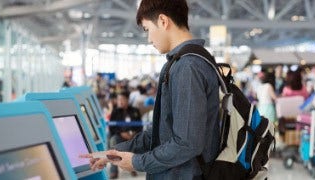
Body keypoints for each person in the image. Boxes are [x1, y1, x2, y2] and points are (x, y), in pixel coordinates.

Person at [80, 0, 221, 179]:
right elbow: (160, 134)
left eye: (147, 29)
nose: (149, 39)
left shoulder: (187, 66)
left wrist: (137, 162)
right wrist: (113, 152)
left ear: (163, 21)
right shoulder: (182, 63)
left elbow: (187, 143)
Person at [108, 91, 142, 179]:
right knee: (113, 140)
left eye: (122, 99)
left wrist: (134, 133)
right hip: (119, 136)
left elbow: (140, 126)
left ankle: (133, 167)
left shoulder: (135, 111)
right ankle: (114, 171)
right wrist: (121, 133)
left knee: (137, 140)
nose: (120, 101)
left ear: (127, 100)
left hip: (133, 136)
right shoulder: (115, 112)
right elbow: (112, 128)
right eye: (118, 99)